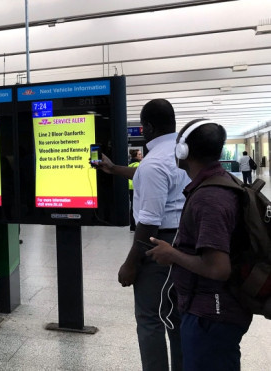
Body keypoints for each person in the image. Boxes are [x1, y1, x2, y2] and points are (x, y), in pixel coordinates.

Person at [147, 119, 252, 370]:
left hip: (211, 314)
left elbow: (218, 268)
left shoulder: (209, 198)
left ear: (183, 151)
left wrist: (172, 254)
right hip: (215, 312)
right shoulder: (222, 183)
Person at [96, 99, 189, 371]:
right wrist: (114, 169)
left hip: (159, 246)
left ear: (147, 127)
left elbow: (148, 224)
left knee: (150, 319)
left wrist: (131, 264)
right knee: (176, 315)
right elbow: (149, 177)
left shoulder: (153, 164)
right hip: (186, 243)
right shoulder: (182, 154)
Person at [128, 149, 143, 232]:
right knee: (137, 207)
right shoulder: (138, 165)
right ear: (136, 156)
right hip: (136, 188)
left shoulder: (130, 164)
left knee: (133, 207)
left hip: (130, 188)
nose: (141, 155)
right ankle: (135, 225)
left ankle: (132, 226)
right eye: (139, 154)